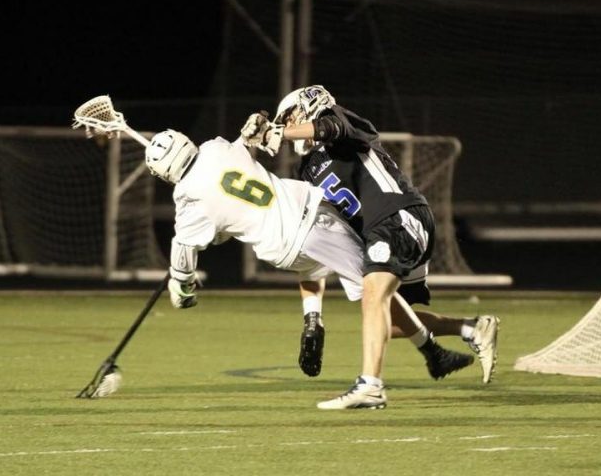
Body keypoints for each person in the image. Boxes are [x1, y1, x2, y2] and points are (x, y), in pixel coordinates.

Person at [144, 128, 475, 407]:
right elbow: (247, 146)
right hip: (314, 220)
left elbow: (185, 254)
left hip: (283, 251)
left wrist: (181, 287)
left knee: (360, 289)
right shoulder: (216, 148)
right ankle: (429, 353)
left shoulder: (188, 203)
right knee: (376, 292)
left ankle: (314, 319)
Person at [241, 85, 500, 409]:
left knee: (375, 298)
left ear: (308, 106)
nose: (287, 126)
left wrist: (279, 131)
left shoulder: (339, 121)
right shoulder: (306, 170)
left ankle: (371, 386)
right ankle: (472, 328)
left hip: (399, 217)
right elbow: (316, 241)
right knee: (389, 319)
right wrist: (313, 318)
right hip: (375, 236)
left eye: (290, 116)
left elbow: (328, 128)